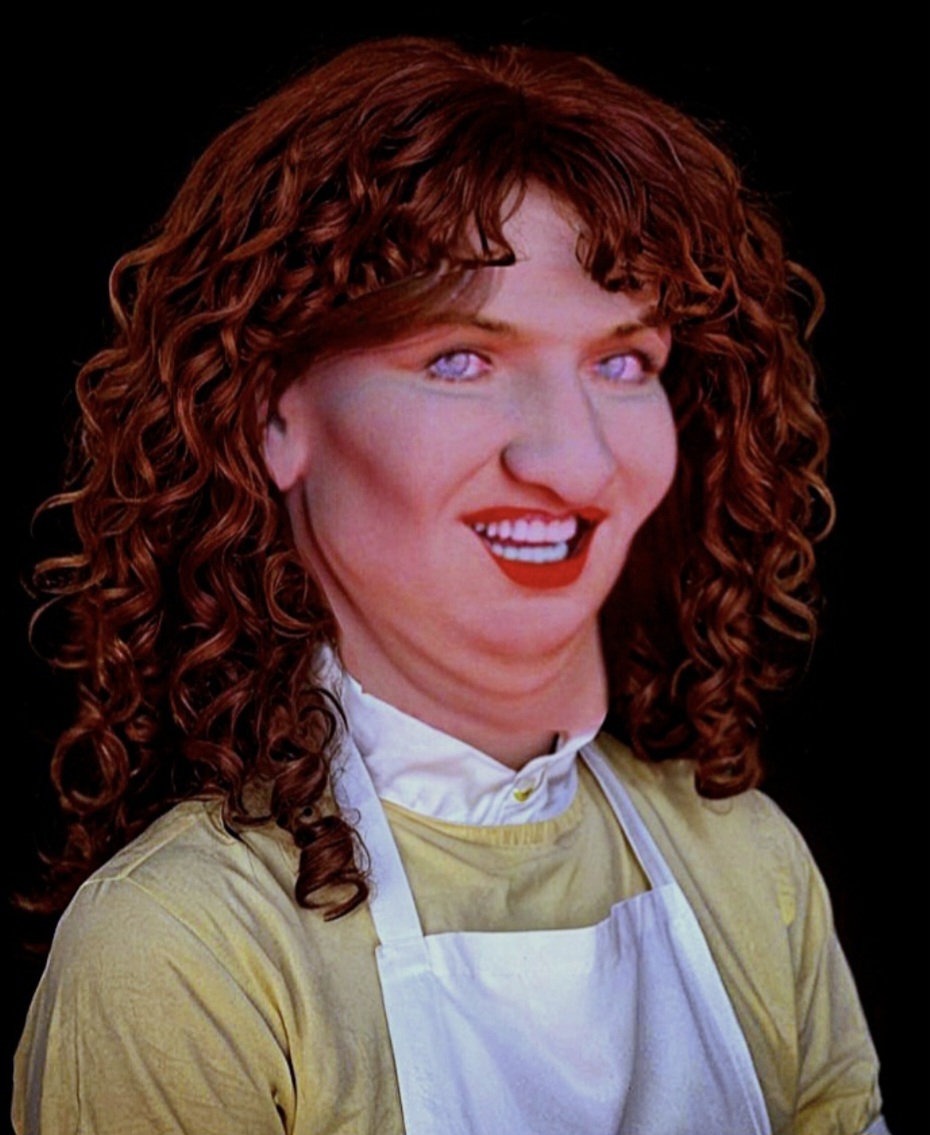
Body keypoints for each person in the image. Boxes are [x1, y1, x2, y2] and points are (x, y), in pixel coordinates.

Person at [13, 36, 887, 1135]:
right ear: (271, 416)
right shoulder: (182, 950)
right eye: (460, 360)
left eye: (623, 362)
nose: (573, 461)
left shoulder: (751, 866)